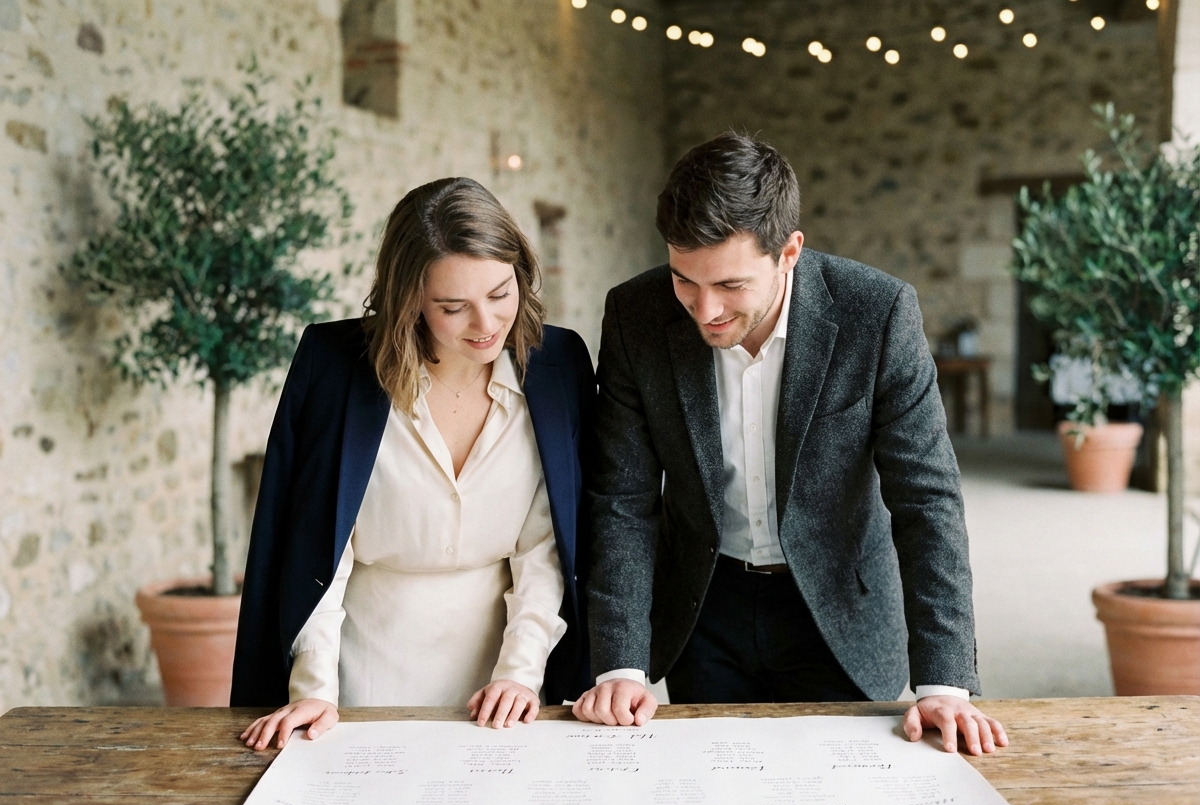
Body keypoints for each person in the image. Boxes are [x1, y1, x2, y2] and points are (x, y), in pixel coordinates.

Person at [572, 133, 1007, 756]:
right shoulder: (635, 315)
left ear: (789, 252)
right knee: (713, 798)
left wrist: (945, 680)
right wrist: (619, 665)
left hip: (840, 607)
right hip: (703, 607)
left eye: (730, 284)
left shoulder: (877, 313)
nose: (705, 309)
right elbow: (622, 497)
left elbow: (927, 499)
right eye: (684, 280)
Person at [232, 177, 595, 749]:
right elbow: (316, 550)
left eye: (501, 294)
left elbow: (548, 548)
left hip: (510, 678)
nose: (487, 325)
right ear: (410, 302)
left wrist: (521, 675)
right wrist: (314, 689)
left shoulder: (559, 368)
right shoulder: (334, 370)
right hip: (359, 675)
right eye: (453, 307)